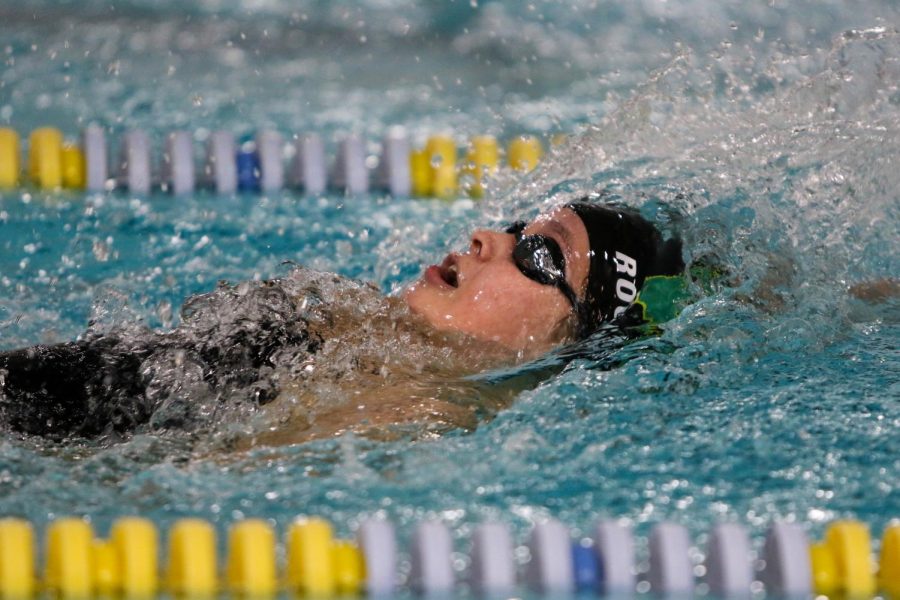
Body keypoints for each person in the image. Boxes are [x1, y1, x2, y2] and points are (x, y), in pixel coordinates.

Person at [0, 198, 686, 445]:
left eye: (539, 254)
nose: (484, 238)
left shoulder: (413, 412)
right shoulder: (365, 333)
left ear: (575, 342)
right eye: (515, 227)